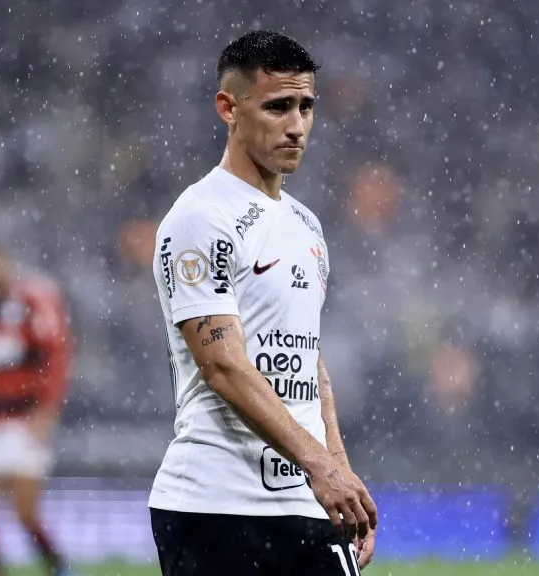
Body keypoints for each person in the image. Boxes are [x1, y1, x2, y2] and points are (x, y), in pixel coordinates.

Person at [149, 30, 378, 576]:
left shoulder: (306, 225)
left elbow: (307, 359)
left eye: (306, 106)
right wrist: (319, 465)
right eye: (278, 106)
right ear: (228, 107)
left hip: (303, 499)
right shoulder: (201, 217)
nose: (297, 125)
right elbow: (223, 365)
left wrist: (339, 468)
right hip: (216, 505)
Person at [0, 236, 73, 576]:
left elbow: (55, 358)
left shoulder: (35, 300)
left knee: (25, 511)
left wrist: (46, 410)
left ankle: (58, 566)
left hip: (22, 417)